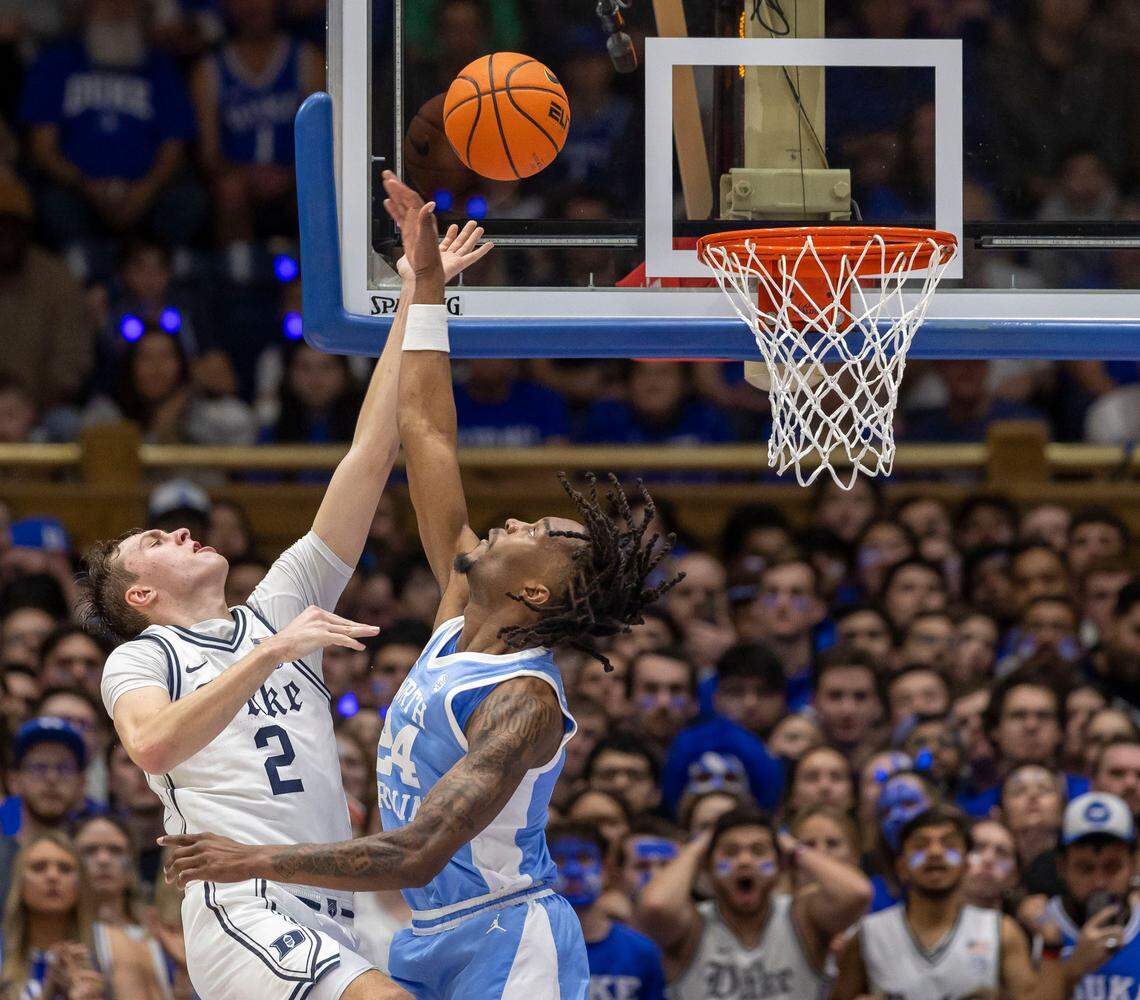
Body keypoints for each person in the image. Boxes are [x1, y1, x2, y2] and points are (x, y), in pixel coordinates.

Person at [160, 175, 682, 998]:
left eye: (542, 537)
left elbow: (419, 849)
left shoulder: (524, 701)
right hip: (429, 938)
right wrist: (428, 289)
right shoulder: (455, 611)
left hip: (515, 940)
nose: (516, 525)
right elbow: (429, 432)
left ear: (539, 596)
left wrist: (248, 860)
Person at [82, 205, 492, 1000]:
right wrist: (267, 654)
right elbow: (154, 748)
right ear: (141, 593)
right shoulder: (142, 656)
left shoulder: (278, 601)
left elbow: (371, 456)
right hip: (244, 904)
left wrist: (414, 293)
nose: (180, 532)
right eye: (155, 541)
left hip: (329, 906)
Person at [638, 806, 872, 997]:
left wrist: (793, 848)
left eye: (759, 851)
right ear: (707, 866)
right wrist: (698, 847)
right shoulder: (691, 926)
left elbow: (857, 893)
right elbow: (655, 906)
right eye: (730, 852)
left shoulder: (801, 917)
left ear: (781, 865)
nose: (745, 861)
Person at [834, 806, 1037, 998]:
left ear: (966, 865)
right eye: (921, 845)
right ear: (901, 867)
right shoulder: (869, 934)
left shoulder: (1002, 931)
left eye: (949, 844)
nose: (935, 853)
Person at [1037, 792, 1140, 999]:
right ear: (1061, 867)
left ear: (1134, 864)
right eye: (1085, 868)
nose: (1099, 882)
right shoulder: (1038, 927)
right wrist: (1070, 973)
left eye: (1112, 867)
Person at [550, 821, 666, 1000]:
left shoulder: (641, 952)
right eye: (560, 860)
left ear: (606, 869)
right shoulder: (527, 949)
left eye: (584, 859)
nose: (573, 871)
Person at [0, 831, 105, 999]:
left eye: (65, 869)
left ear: (80, 884)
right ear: (19, 882)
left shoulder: (106, 948)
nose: (53, 876)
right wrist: (50, 991)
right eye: (39, 867)